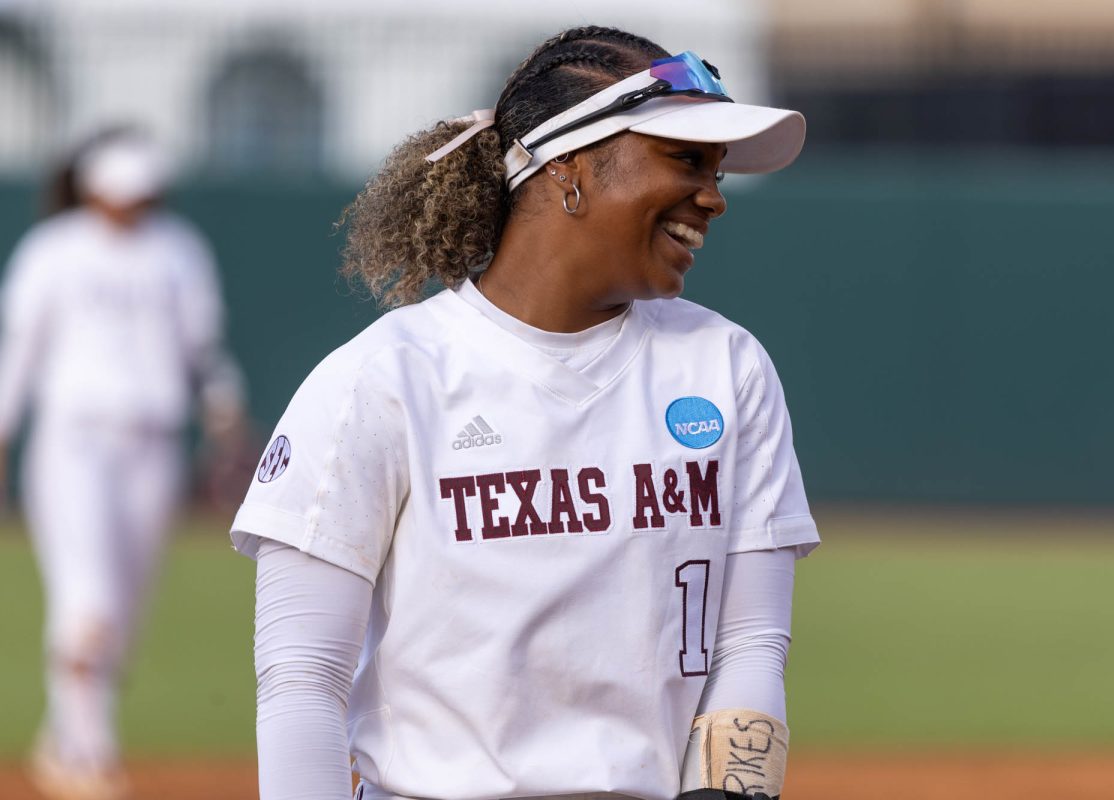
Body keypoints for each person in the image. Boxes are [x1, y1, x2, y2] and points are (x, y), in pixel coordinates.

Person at [231, 26, 819, 800]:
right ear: (568, 167)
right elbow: (302, 678)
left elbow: (749, 644)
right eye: (685, 160)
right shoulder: (382, 381)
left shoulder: (728, 366)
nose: (713, 196)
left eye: (716, 169)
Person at [0, 128, 245, 800]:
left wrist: (224, 409)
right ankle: (91, 754)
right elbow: (19, 350)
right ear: (93, 191)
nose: (132, 205)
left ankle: (62, 741)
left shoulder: (177, 250)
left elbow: (202, 345)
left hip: (153, 441)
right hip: (73, 442)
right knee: (89, 600)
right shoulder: (53, 252)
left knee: (127, 608)